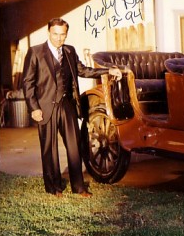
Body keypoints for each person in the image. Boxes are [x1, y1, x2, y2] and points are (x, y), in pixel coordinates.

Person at [22, 18, 122, 198]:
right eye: (55, 34)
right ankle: (54, 187)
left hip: (67, 105)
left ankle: (79, 187)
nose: (59, 39)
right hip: (44, 107)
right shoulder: (35, 52)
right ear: (49, 32)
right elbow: (27, 83)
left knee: (74, 146)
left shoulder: (69, 51)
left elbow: (83, 71)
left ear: (66, 34)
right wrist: (33, 108)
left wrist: (107, 71)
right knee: (49, 148)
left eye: (63, 35)